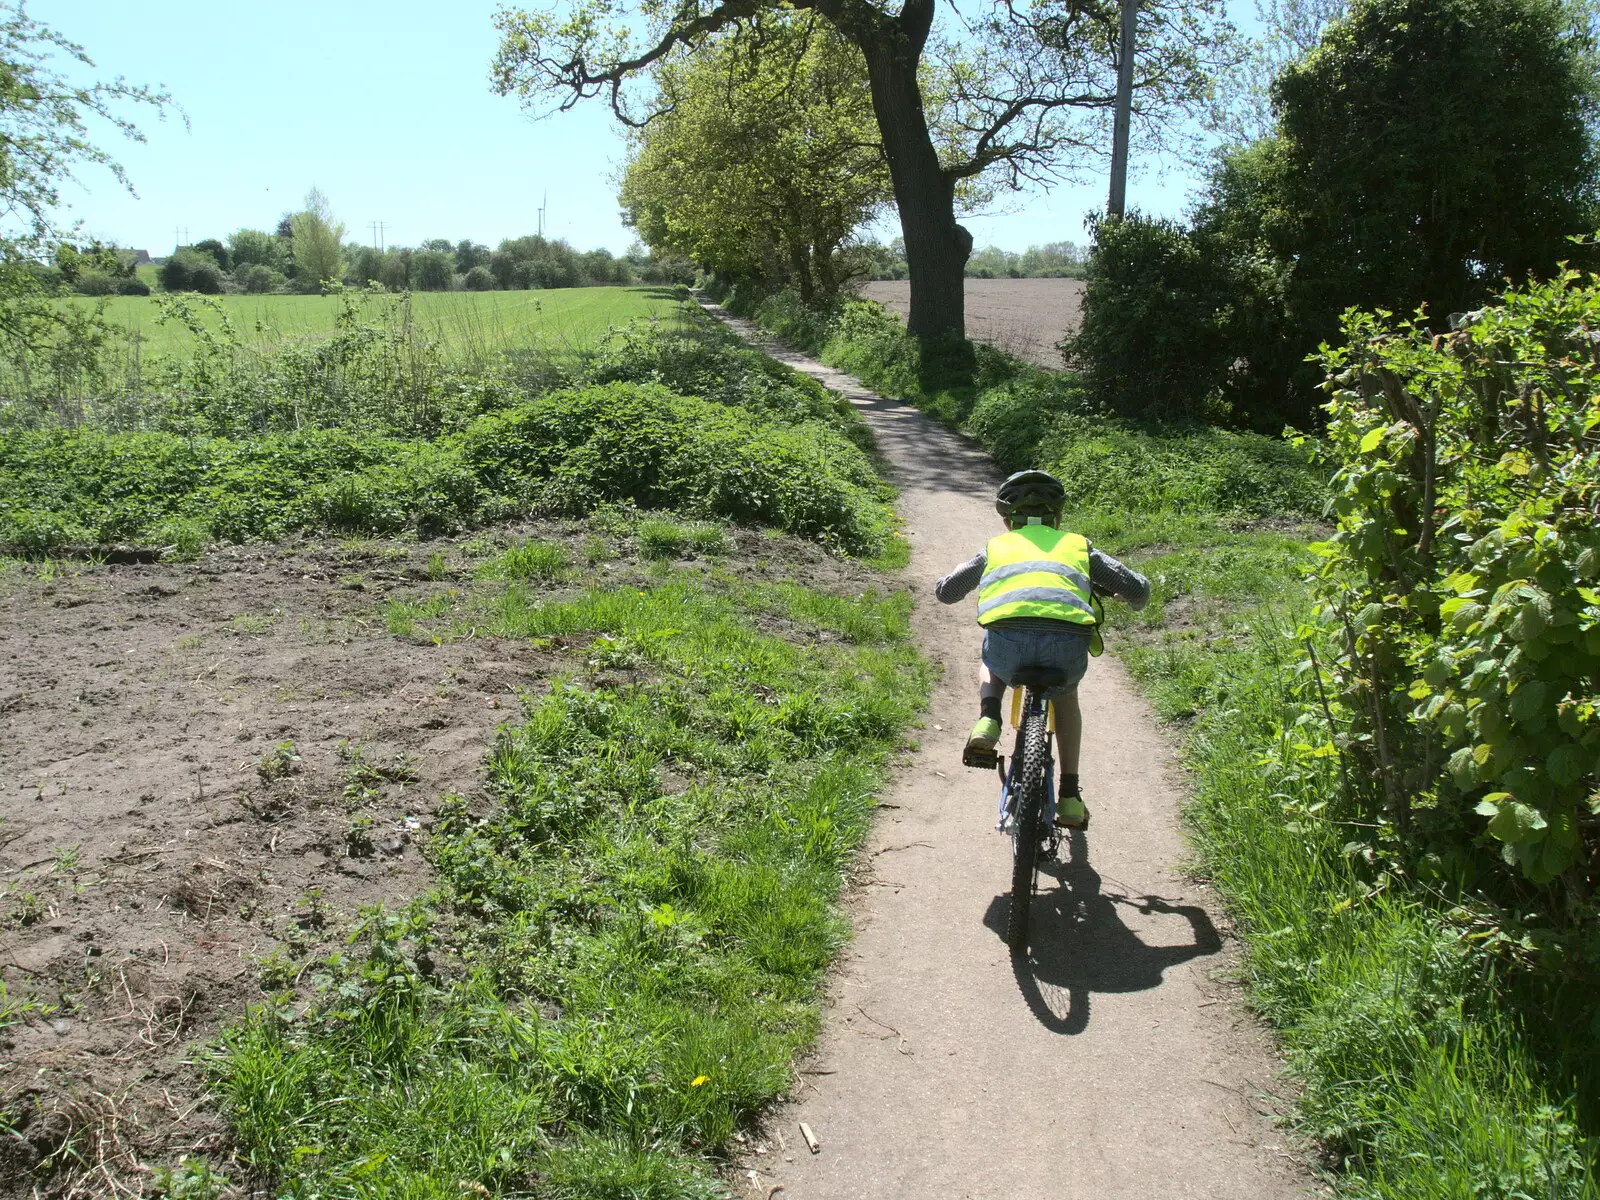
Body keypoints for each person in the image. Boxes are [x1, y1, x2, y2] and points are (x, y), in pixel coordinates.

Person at [934, 469, 1149, 828]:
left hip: (1009, 645)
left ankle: (989, 717)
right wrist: (1117, 590)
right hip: (1065, 649)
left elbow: (947, 592)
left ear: (1006, 520)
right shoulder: (1078, 546)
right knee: (1066, 698)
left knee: (990, 652)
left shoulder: (994, 548)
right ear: (1058, 515)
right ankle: (1069, 796)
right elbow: (1138, 590)